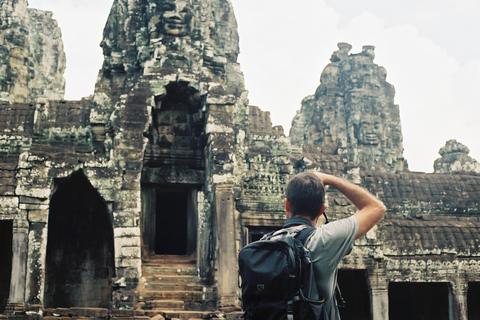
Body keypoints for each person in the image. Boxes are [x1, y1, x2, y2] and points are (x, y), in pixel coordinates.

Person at [284, 171, 386, 320]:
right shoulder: (324, 239)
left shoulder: (263, 245)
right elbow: (376, 208)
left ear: (287, 204)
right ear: (322, 210)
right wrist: (330, 179)